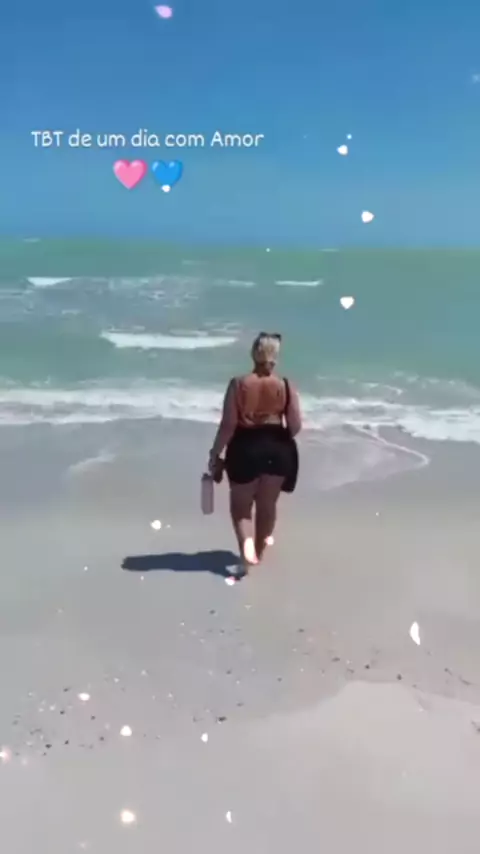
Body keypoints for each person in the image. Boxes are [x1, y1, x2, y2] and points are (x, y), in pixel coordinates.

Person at [208, 332, 302, 573]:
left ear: (253, 353)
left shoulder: (238, 384)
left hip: (245, 447)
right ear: (276, 356)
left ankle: (246, 553)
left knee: (241, 508)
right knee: (267, 506)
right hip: (278, 448)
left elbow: (228, 425)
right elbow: (295, 426)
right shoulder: (285, 385)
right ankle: (257, 553)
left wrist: (215, 454)